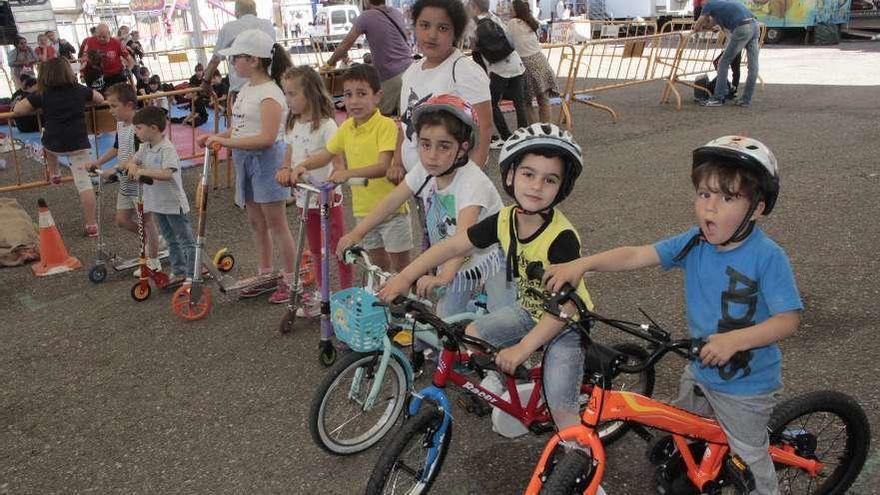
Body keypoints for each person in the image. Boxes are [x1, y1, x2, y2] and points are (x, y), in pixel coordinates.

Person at [544, 136, 801, 495]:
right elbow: (637, 255)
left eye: (727, 198)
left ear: (757, 209)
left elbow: (788, 319)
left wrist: (734, 340)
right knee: (686, 425)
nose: (710, 208)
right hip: (698, 367)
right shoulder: (695, 241)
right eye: (704, 194)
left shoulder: (767, 257)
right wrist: (584, 264)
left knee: (750, 461)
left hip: (745, 387)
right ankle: (695, 461)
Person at [380, 123, 592, 429]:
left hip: (564, 324)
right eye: (528, 174)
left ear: (562, 187)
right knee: (474, 334)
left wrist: (523, 347)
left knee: (562, 408)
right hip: (529, 309)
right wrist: (404, 277)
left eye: (549, 179)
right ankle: (511, 386)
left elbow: (565, 307)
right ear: (510, 176)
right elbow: (454, 243)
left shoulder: (562, 239)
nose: (536, 186)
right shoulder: (505, 219)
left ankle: (580, 458)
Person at [337, 93, 511, 317]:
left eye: (444, 146)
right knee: (446, 317)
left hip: (492, 256)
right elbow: (391, 201)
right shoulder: (426, 170)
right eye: (425, 144)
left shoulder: (472, 184)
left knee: (501, 320)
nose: (431, 156)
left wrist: (443, 277)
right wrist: (357, 232)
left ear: (463, 148)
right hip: (453, 256)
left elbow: (463, 241)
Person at [281, 64, 412, 273]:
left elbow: (383, 166)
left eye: (362, 94)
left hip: (392, 210)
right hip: (363, 211)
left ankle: (407, 300)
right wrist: (302, 166)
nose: (354, 101)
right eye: (348, 95)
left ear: (377, 96)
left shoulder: (385, 125)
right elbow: (325, 155)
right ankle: (387, 300)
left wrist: (346, 174)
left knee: (401, 266)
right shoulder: (346, 128)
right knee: (378, 265)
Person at [196, 29, 295, 303]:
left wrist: (224, 142)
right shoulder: (247, 90)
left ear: (253, 60)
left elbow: (266, 138)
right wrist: (217, 137)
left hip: (267, 162)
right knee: (256, 222)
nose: (232, 64)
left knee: (276, 224)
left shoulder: (270, 94)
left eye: (235, 58)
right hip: (245, 159)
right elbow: (238, 128)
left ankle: (290, 280)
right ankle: (266, 274)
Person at [272, 66, 353, 315]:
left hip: (327, 199)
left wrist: (329, 185)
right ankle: (322, 293)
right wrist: (285, 170)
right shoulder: (293, 124)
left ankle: (346, 296)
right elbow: (288, 156)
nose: (288, 99)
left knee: (338, 248)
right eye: (286, 93)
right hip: (304, 199)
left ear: (311, 93)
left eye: (293, 93)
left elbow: (338, 164)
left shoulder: (327, 125)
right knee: (316, 249)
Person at [392, 0, 492, 185]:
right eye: (424, 25)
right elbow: (404, 123)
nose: (431, 34)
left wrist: (469, 182)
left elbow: (484, 129)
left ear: (456, 32)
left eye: (443, 28)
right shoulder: (411, 72)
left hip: (455, 182)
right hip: (419, 182)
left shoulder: (464, 70)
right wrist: (397, 161)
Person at [13, 58, 105, 236]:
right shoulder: (80, 90)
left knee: (45, 140)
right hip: (78, 143)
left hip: (54, 142)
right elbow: (100, 99)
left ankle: (54, 173)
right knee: (84, 183)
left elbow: (18, 110)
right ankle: (92, 224)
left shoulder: (42, 94)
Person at [86, 83, 163, 277]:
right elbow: (117, 148)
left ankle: (153, 260)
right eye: (109, 106)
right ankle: (153, 241)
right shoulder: (121, 124)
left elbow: (139, 153)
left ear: (129, 105)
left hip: (140, 182)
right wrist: (98, 161)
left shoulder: (140, 126)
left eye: (113, 106)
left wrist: (115, 168)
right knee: (122, 220)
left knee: (146, 221)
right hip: (125, 181)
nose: (110, 110)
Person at [123, 106, 195, 287]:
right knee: (171, 240)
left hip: (173, 204)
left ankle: (193, 274)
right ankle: (179, 271)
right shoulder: (145, 147)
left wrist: (141, 170)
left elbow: (167, 174)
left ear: (153, 128)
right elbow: (133, 160)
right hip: (158, 204)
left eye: (139, 128)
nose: (136, 131)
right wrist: (131, 166)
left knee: (185, 240)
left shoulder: (166, 148)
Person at [322, 0, 413, 116]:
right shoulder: (396, 12)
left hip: (391, 75)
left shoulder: (366, 16)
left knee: (375, 118)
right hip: (410, 69)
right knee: (405, 118)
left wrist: (329, 63)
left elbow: (346, 44)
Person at [468, 0, 529, 150]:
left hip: (498, 68)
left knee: (492, 103)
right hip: (515, 63)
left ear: (474, 7)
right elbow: (508, 38)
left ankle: (505, 136)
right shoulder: (495, 18)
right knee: (519, 102)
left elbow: (474, 49)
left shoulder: (472, 24)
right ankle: (524, 137)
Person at [202, 0, 275, 99]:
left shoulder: (229, 28)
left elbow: (215, 60)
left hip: (241, 90)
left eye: (236, 58)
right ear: (255, 12)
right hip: (268, 87)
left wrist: (206, 81)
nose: (233, 62)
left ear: (236, 13)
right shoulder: (268, 25)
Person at [693, 0, 759, 107]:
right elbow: (712, 23)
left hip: (742, 28)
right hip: (755, 25)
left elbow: (699, 22)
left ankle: (718, 98)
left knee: (723, 62)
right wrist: (710, 26)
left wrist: (695, 29)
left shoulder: (708, 5)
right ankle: (746, 100)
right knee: (753, 67)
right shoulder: (723, 5)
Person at [508, 0, 558, 123]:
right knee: (543, 99)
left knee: (526, 101)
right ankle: (547, 127)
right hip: (541, 61)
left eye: (511, 9)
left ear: (516, 10)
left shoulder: (513, 23)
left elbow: (507, 42)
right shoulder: (530, 22)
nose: (509, 11)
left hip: (527, 64)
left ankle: (534, 130)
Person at [80, 23, 135, 88]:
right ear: (95, 34)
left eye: (104, 37)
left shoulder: (116, 43)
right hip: (97, 77)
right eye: (99, 36)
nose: (101, 39)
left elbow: (130, 60)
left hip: (115, 76)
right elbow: (84, 58)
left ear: (109, 34)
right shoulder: (90, 41)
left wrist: (127, 71)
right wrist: (82, 73)